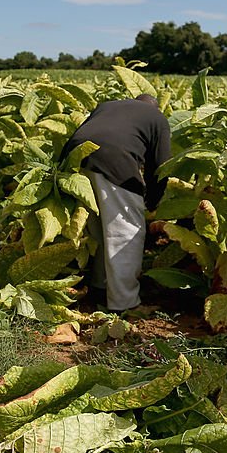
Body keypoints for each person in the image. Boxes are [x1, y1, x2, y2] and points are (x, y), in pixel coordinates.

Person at [62, 94, 171, 313]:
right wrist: (153, 201)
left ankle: (99, 286)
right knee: (126, 232)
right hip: (112, 158)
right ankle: (124, 303)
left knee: (101, 231)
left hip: (73, 157)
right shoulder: (157, 117)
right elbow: (161, 166)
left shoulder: (108, 105)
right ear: (155, 107)